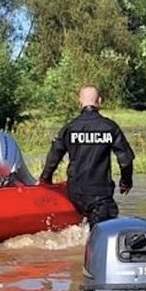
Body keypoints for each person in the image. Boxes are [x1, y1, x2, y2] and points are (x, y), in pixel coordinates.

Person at [39, 86, 135, 227]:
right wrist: (126, 182)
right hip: (100, 193)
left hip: (74, 193)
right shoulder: (110, 127)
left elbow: (54, 156)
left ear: (79, 102)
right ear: (100, 101)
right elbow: (125, 160)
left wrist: (45, 179)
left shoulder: (70, 127)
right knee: (103, 230)